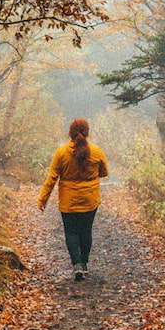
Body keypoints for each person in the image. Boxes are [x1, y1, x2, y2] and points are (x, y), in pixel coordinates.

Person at [38, 118, 109, 280]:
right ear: (87, 132)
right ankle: (84, 264)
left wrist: (43, 199)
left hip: (68, 201)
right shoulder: (97, 151)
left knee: (71, 232)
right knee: (86, 230)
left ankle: (76, 264)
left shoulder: (62, 152)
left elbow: (52, 178)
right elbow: (104, 172)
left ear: (70, 133)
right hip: (90, 200)